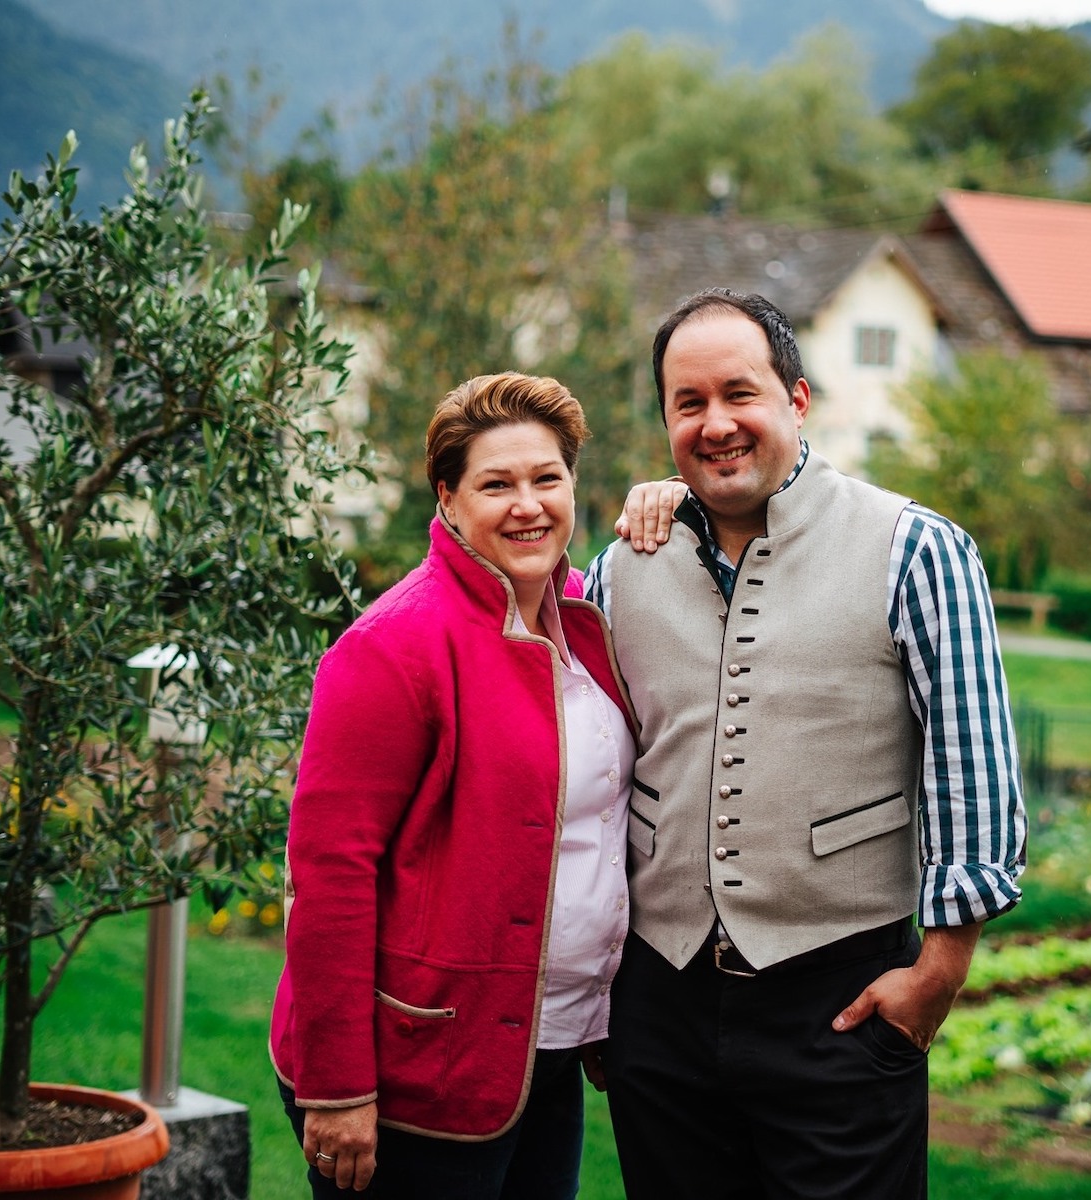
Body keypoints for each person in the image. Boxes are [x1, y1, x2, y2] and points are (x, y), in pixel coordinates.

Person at [585, 288, 1027, 1199]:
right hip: (658, 1007)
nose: (716, 425)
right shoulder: (619, 569)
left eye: (739, 394)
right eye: (688, 403)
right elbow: (585, 772)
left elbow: (973, 773)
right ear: (665, 419)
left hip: (840, 1002)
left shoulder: (917, 549)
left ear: (796, 398)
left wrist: (936, 977)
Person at [270, 372, 638, 1198]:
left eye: (548, 479)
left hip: (543, 1050)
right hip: (417, 1067)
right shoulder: (392, 648)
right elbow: (328, 875)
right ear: (447, 496)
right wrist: (337, 1087)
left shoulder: (581, 621)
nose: (529, 505)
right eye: (496, 484)